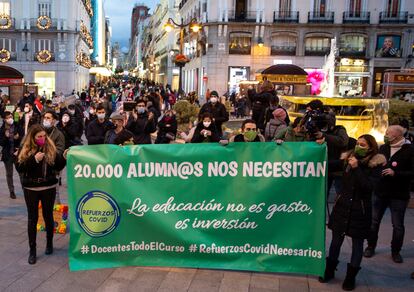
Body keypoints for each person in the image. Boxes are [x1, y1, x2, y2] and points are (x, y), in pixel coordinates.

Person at [320, 134, 385, 291]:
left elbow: (368, 187)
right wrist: (318, 148)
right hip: (342, 207)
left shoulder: (376, 164)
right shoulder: (349, 158)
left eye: (363, 145)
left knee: (357, 245)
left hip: (360, 210)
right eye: (358, 144)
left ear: (371, 148)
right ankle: (329, 271)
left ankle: (350, 277)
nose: (359, 147)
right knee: (336, 241)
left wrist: (356, 168)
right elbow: (330, 164)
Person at [15, 124, 67, 264]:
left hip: (48, 186)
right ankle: (32, 250)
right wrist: (34, 159)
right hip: (31, 188)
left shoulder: (49, 147)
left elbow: (57, 165)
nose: (42, 139)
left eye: (44, 136)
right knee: (32, 219)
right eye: (39, 137)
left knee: (48, 215)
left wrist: (64, 158)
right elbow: (19, 167)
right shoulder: (25, 148)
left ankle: (49, 243)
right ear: (32, 138)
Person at [364, 125, 414, 263]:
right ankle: (370, 246)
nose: (385, 135)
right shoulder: (384, 148)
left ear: (397, 136)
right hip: (380, 191)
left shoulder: (409, 150)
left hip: (399, 194)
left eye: (388, 133)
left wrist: (396, 173)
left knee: (397, 225)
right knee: (374, 221)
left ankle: (395, 251)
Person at [0, 111, 23, 199]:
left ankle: (24, 188)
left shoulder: (17, 125)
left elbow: (23, 137)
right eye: (8, 117)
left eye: (11, 116)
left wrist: (18, 138)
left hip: (17, 153)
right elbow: (1, 143)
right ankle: (11, 191)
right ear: (4, 119)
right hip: (8, 155)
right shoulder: (2, 129)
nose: (10, 118)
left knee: (21, 172)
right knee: (9, 174)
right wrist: (5, 137)